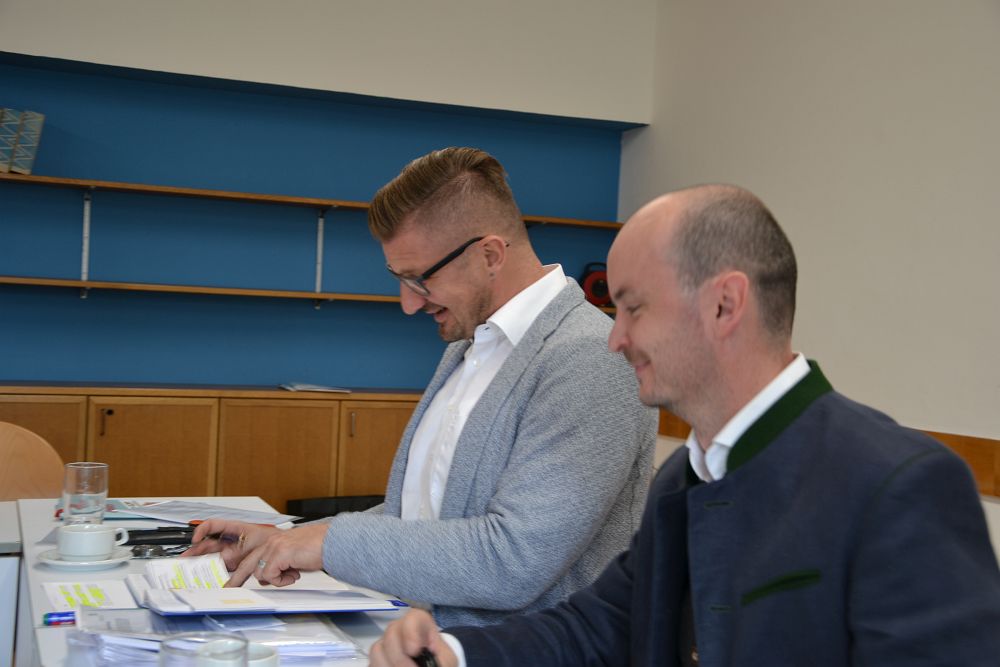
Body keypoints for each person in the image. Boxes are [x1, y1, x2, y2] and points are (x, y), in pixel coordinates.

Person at [370, 184, 1000, 666]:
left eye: (634, 309)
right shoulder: (681, 481)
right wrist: (453, 653)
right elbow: (602, 625)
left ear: (725, 304)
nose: (615, 339)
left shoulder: (899, 483)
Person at [185, 147, 658, 627]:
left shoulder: (589, 357)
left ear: (490, 255)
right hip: (422, 639)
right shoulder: (470, 344)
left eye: (419, 279)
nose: (408, 304)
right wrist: (287, 540)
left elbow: (514, 560)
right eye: (399, 279)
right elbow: (419, 520)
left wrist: (327, 544)